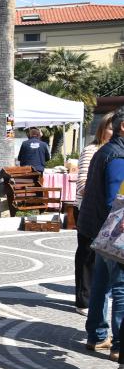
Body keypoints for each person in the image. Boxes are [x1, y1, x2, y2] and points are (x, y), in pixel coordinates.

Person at [80, 107, 124, 369]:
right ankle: (118, 344)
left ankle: (96, 336)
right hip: (113, 235)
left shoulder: (105, 151)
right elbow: (115, 202)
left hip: (99, 231)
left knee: (101, 284)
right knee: (119, 289)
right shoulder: (118, 155)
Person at [74, 112, 115, 314]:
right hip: (88, 209)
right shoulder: (92, 150)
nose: (113, 131)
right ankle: (84, 299)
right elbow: (82, 184)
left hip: (108, 211)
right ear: (102, 129)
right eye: (110, 127)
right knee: (87, 255)